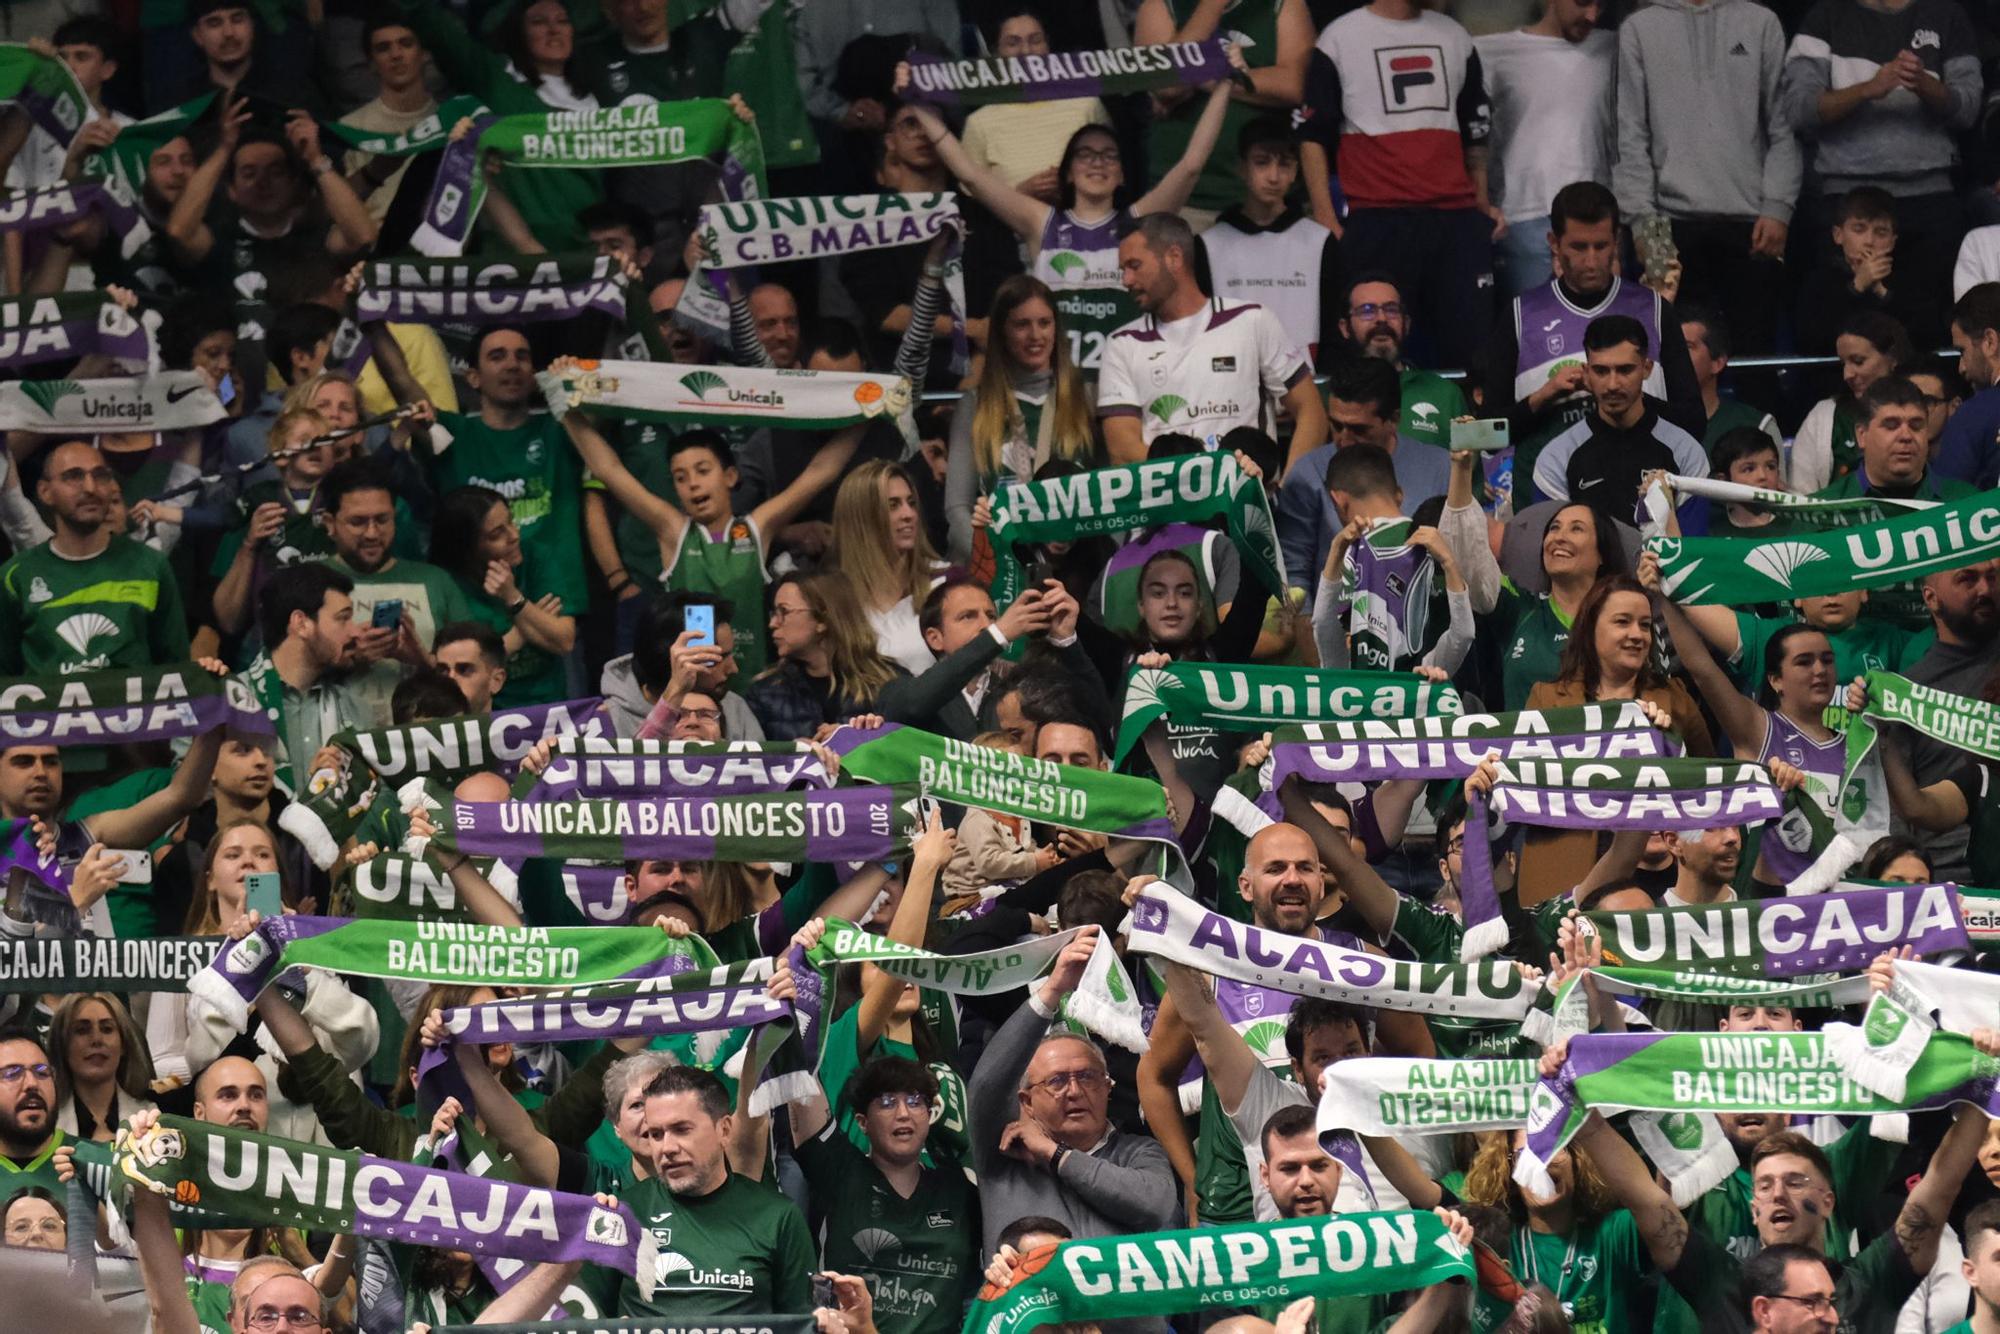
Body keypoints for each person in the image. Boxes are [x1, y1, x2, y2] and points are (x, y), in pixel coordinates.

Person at [898, 58, 1239, 379]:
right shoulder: (1042, 222)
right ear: (1069, 173)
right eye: (1085, 154)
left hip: (1125, 383)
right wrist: (916, 103)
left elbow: (1191, 164)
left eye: (1108, 155)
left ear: (1121, 174)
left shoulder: (1135, 223)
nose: (1097, 162)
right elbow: (969, 174)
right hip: (1055, 387)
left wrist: (1225, 83)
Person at [554, 375, 862, 682]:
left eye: (702, 470)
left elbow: (821, 471)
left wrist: (871, 410)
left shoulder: (756, 529)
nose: (693, 483)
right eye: (680, 477)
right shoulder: (674, 532)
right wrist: (564, 406)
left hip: (752, 689)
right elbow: (610, 469)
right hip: (692, 695)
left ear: (730, 476)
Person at [1299, 0, 1501, 369]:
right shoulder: (1339, 38)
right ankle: (1373, 427)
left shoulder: (1455, 36)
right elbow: (1313, 135)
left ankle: (1473, 429)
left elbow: (1475, 130)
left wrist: (1481, 202)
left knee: (1474, 356)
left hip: (1454, 220)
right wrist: (1325, 215)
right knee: (1373, 356)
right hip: (1377, 218)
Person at [1780, 0, 1980, 349]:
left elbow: (1968, 110)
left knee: (1928, 329)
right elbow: (1799, 109)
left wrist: (1921, 82)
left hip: (1928, 198)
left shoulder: (1946, 14)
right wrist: (1867, 89)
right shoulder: (1825, 16)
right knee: (1829, 324)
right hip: (1845, 196)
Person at [967, 927, 1178, 1257]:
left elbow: (1155, 1206)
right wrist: (1053, 990)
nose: (1075, 1091)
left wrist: (1054, 1154)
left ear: (1108, 1088)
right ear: (1026, 1101)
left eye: (1088, 1077)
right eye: (1056, 1082)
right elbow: (987, 1084)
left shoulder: (1140, 1153)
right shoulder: (1004, 1154)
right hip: (1036, 1309)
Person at [1478, 181, 1703, 488]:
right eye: (1578, 247)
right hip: (1550, 498)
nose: (1591, 261)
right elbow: (1486, 436)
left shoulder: (1654, 310)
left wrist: (1621, 393)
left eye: (1601, 246)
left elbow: (1694, 423)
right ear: (1554, 243)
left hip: (1642, 490)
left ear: (1617, 242)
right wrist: (1544, 397)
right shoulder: (1520, 316)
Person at [1614, 0, 1797, 354]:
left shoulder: (1762, 22)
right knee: (1674, 361)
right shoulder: (1639, 28)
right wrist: (1645, 229)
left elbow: (1784, 125)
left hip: (1754, 224)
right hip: (1667, 225)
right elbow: (1628, 135)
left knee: (1755, 360)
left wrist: (1778, 208)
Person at [1520, 573, 1713, 896]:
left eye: (1645, 625)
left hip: (1658, 880)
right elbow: (1524, 790)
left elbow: (1707, 784)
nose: (1637, 635)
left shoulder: (1673, 698)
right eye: (1622, 622)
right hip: (1567, 879)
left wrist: (1666, 742)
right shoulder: (1547, 700)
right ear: (1591, 628)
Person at [1098, 212, 1327, 465]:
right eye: (1123, 270)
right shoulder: (1121, 344)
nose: (1126, 280)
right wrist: (1206, 478)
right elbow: (1122, 449)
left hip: (1247, 497)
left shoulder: (1252, 321)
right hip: (1168, 501)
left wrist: (1286, 489)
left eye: (1134, 266)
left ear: (1174, 258)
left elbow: (1311, 410)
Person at [613, 1066, 815, 1316]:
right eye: (656, 1134)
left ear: (725, 1130)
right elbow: (583, 1314)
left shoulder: (778, 1217)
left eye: (681, 1129)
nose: (667, 1148)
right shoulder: (622, 1213)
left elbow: (804, 1321)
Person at [943, 274, 1102, 564]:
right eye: (1022, 325)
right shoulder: (975, 406)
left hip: (1077, 572)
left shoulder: (1087, 400)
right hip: (998, 573)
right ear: (1002, 331)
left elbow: (1112, 499)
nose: (1036, 336)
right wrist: (1001, 562)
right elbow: (957, 510)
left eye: (1044, 323)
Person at [0, 439, 190, 673]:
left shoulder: (151, 565)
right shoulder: (15, 576)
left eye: (100, 475)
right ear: (45, 492)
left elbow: (178, 672)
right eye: (73, 476)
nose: (90, 487)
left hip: (135, 707)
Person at [1475, 0, 1616, 297]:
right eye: (1582, 3)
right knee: (1533, 334)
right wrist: (1483, 200)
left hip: (1596, 219)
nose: (1591, 15)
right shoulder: (1491, 52)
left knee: (1601, 333)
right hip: (1523, 219)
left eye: (1600, 6)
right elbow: (1473, 135)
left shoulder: (1614, 48)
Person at [315, 456, 469, 726]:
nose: (373, 533)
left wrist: (422, 660)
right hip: (334, 743)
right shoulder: (307, 583)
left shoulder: (435, 581)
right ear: (330, 523)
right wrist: (347, 660)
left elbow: (475, 673)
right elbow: (283, 677)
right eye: (358, 522)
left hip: (429, 741)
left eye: (383, 520)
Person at [1197, 116, 1343, 367]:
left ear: (1296, 171)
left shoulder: (1319, 242)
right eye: (1262, 163)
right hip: (1231, 384)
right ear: (1241, 168)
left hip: (1306, 383)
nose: (1274, 176)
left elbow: (1333, 329)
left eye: (1284, 164)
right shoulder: (1209, 244)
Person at [1530, 315, 1708, 518]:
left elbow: (1691, 546)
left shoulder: (1686, 454)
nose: (1613, 384)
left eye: (1625, 370)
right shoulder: (1556, 458)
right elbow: (1554, 545)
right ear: (1587, 373)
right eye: (1601, 371)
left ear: (1646, 369)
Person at [427, 486, 577, 707]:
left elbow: (564, 640)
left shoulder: (536, 556)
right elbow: (467, 662)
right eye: (497, 534)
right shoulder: (447, 583)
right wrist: (526, 624)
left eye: (511, 522)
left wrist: (513, 597)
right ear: (467, 546)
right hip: (486, 712)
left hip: (549, 706)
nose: (514, 535)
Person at [242, 563, 362, 794]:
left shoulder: (353, 708)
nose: (355, 631)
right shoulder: (231, 700)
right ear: (301, 623)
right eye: (343, 618)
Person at [830, 461, 952, 675]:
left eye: (911, 503)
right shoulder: (834, 598)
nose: (909, 514)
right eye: (893, 505)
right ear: (861, 518)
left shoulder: (947, 583)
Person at [1798, 186, 1941, 355]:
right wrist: (1857, 286)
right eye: (1859, 229)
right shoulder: (1819, 281)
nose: (1869, 241)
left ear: (1893, 241)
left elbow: (1929, 338)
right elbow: (1811, 342)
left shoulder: (1910, 279)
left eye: (1881, 232)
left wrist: (1881, 291)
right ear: (1838, 235)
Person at [1787, 308, 1915, 495]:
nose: (1847, 374)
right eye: (1843, 364)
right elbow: (1800, 498)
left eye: (1858, 361)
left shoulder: (1924, 408)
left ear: (1893, 358)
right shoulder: (1824, 416)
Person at [336, 12, 438, 223]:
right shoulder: (350, 128)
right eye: (383, 48)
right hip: (376, 247)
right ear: (371, 63)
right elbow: (343, 207)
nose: (396, 54)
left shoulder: (453, 120)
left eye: (406, 44)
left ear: (425, 53)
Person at [46, 992, 154, 1144]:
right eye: (82, 1030)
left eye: (107, 1029)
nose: (97, 1039)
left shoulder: (151, 1118)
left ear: (123, 1044)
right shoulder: (44, 1123)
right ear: (62, 1044)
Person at [1681, 305, 1784, 453]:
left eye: (1687, 347)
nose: (1674, 355)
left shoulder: (1756, 425)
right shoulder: (1651, 422)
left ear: (1717, 363)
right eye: (1670, 347)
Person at [1939, 282, 2000, 489]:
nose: (1961, 368)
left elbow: (1945, 508)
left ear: (1990, 342)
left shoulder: (1974, 416)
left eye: (1962, 351)